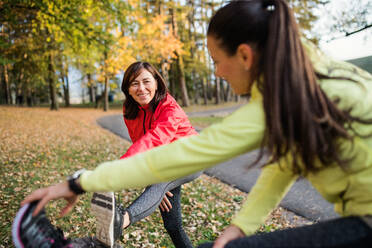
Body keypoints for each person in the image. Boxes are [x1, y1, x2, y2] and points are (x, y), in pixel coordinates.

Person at [21, 0, 372, 247]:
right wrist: (240, 226)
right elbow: (282, 166)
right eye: (133, 83)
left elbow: (178, 152)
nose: (217, 72)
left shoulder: (280, 100)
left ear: (246, 55)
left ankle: (115, 226)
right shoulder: (306, 77)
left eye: (217, 61)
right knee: (175, 220)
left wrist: (80, 182)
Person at [88, 61, 200, 248]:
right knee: (172, 224)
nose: (141, 88)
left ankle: (118, 223)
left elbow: (156, 139)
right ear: (128, 89)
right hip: (166, 162)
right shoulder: (130, 109)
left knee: (162, 182)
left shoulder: (169, 109)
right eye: (134, 83)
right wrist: (154, 185)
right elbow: (141, 144)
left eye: (146, 81)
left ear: (157, 83)